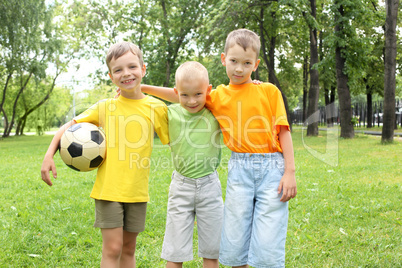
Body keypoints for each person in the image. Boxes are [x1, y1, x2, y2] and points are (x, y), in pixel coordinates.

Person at [141, 29, 297, 268]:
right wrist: (144, 88)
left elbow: (283, 130)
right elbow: (181, 95)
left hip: (272, 167)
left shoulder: (268, 91)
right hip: (240, 168)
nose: (239, 69)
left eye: (246, 63)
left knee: (268, 240)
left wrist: (290, 172)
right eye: (233, 61)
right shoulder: (218, 96)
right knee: (235, 240)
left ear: (255, 64)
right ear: (224, 59)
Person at [40, 41, 169, 267]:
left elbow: (187, 97)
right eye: (118, 70)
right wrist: (49, 154)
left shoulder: (156, 108)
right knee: (112, 248)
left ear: (143, 69)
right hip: (109, 191)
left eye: (132, 67)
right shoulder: (105, 107)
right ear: (111, 76)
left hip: (138, 192)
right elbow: (68, 126)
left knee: (129, 249)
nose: (126, 74)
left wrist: (146, 88)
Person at [161, 61, 223, 268]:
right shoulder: (171, 113)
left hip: (209, 186)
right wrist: (140, 87)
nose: (192, 101)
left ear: (208, 91)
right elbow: (169, 96)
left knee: (212, 251)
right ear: (177, 93)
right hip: (181, 186)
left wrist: (252, 82)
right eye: (184, 95)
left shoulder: (214, 111)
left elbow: (238, 94)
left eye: (198, 94)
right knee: (175, 252)